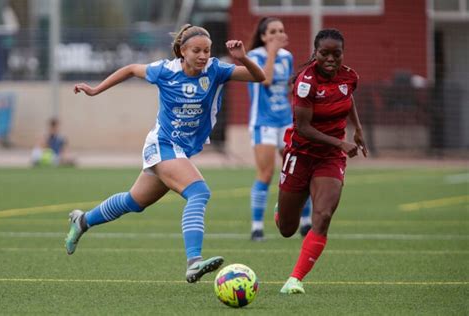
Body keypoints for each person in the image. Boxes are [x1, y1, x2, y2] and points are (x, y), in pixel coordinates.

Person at [65, 24, 265, 283]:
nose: (203, 55)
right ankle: (193, 262)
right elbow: (130, 69)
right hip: (162, 144)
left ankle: (82, 221)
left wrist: (243, 59)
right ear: (183, 51)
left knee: (133, 202)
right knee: (199, 192)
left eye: (207, 50)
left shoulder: (215, 70)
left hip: (181, 150)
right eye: (196, 50)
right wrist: (94, 90)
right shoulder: (165, 70)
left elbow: (258, 77)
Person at [276, 29, 368, 294]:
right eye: (324, 53)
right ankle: (282, 209)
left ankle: (294, 279)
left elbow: (346, 97)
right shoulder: (305, 82)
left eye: (336, 54)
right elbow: (303, 127)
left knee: (323, 215)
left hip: (329, 158)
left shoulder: (350, 76)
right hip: (300, 155)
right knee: (286, 228)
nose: (330, 59)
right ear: (315, 53)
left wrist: (358, 128)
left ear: (342, 54)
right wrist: (341, 141)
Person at [246, 17, 312, 241]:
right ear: (263, 36)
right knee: (265, 173)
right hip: (263, 122)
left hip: (285, 120)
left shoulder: (288, 57)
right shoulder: (254, 56)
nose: (278, 35)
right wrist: (272, 52)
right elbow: (265, 80)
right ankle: (257, 227)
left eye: (281, 30)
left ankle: (306, 222)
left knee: (299, 170)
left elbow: (287, 87)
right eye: (272, 31)